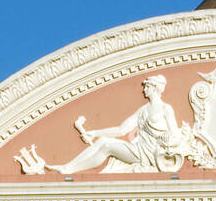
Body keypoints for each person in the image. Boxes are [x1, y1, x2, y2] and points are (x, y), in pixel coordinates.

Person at [15, 75, 188, 175]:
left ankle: (69, 168)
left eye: (147, 87)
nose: (144, 90)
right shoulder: (143, 111)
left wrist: (168, 140)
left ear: (155, 88)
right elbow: (121, 129)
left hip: (152, 154)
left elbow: (175, 135)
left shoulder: (166, 109)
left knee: (106, 145)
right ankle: (68, 168)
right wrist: (94, 133)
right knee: (104, 142)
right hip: (140, 150)